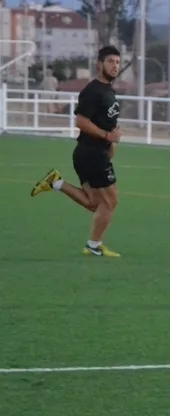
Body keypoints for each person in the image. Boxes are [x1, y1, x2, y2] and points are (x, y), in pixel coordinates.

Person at [29, 45, 124, 257]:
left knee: (94, 204)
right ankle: (93, 245)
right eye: (110, 62)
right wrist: (108, 137)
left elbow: (107, 123)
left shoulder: (108, 91)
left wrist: (112, 143)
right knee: (110, 202)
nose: (115, 66)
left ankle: (56, 183)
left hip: (91, 154)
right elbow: (81, 121)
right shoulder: (92, 91)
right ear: (99, 64)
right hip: (92, 154)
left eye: (118, 62)